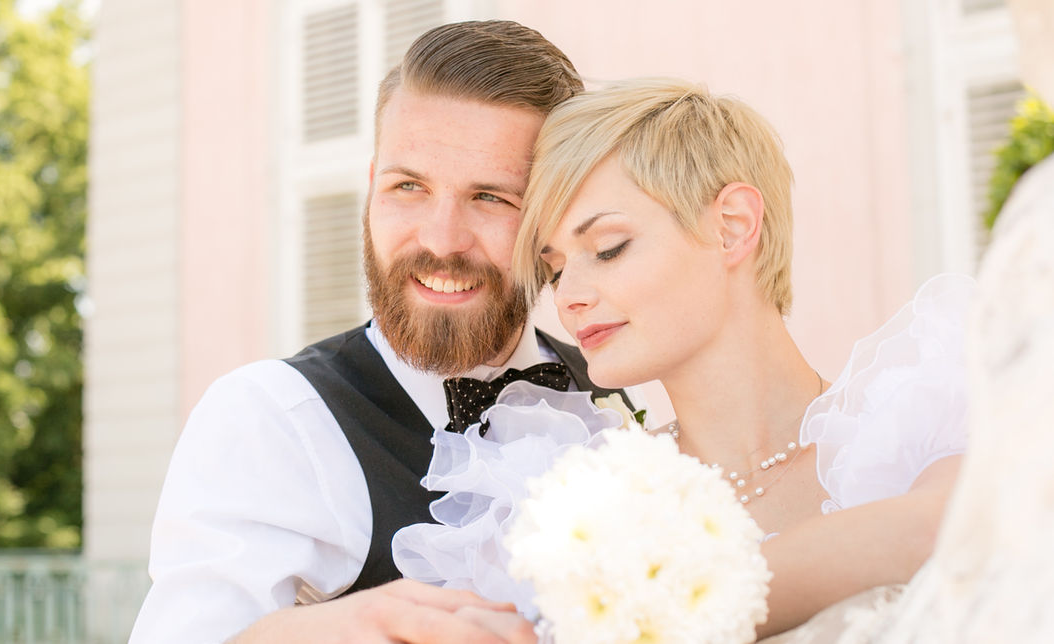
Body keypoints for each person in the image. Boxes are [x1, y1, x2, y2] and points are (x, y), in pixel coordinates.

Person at [129, 20, 629, 644]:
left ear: (559, 214)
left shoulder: (611, 387)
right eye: (408, 187)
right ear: (371, 188)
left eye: (493, 198)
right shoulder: (272, 418)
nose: (441, 240)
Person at [508, 79, 970, 638]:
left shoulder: (926, 421)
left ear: (732, 227)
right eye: (555, 268)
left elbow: (945, 534)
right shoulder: (588, 503)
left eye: (608, 248)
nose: (568, 294)